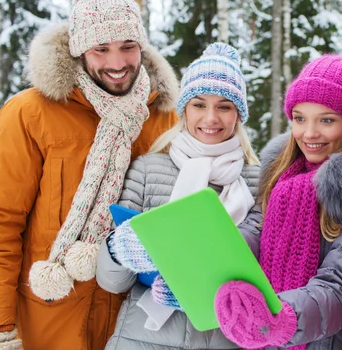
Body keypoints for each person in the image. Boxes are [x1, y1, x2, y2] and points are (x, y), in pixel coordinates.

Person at [0, 0, 179, 350]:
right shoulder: (31, 113)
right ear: (79, 49)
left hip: (134, 327)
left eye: (128, 46)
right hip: (47, 322)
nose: (117, 63)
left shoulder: (164, 118)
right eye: (101, 49)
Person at [213, 54, 342, 349]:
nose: (309, 133)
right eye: (300, 118)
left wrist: (281, 319)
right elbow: (252, 234)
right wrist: (206, 278)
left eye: (326, 120)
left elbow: (341, 287)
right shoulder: (280, 176)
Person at [96, 43, 262, 349]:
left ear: (238, 115)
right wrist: (118, 249)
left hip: (226, 339)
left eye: (224, 106)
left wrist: (205, 287)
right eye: (199, 104)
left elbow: (263, 273)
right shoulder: (147, 170)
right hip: (143, 338)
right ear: (184, 109)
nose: (211, 118)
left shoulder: (259, 181)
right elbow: (111, 281)